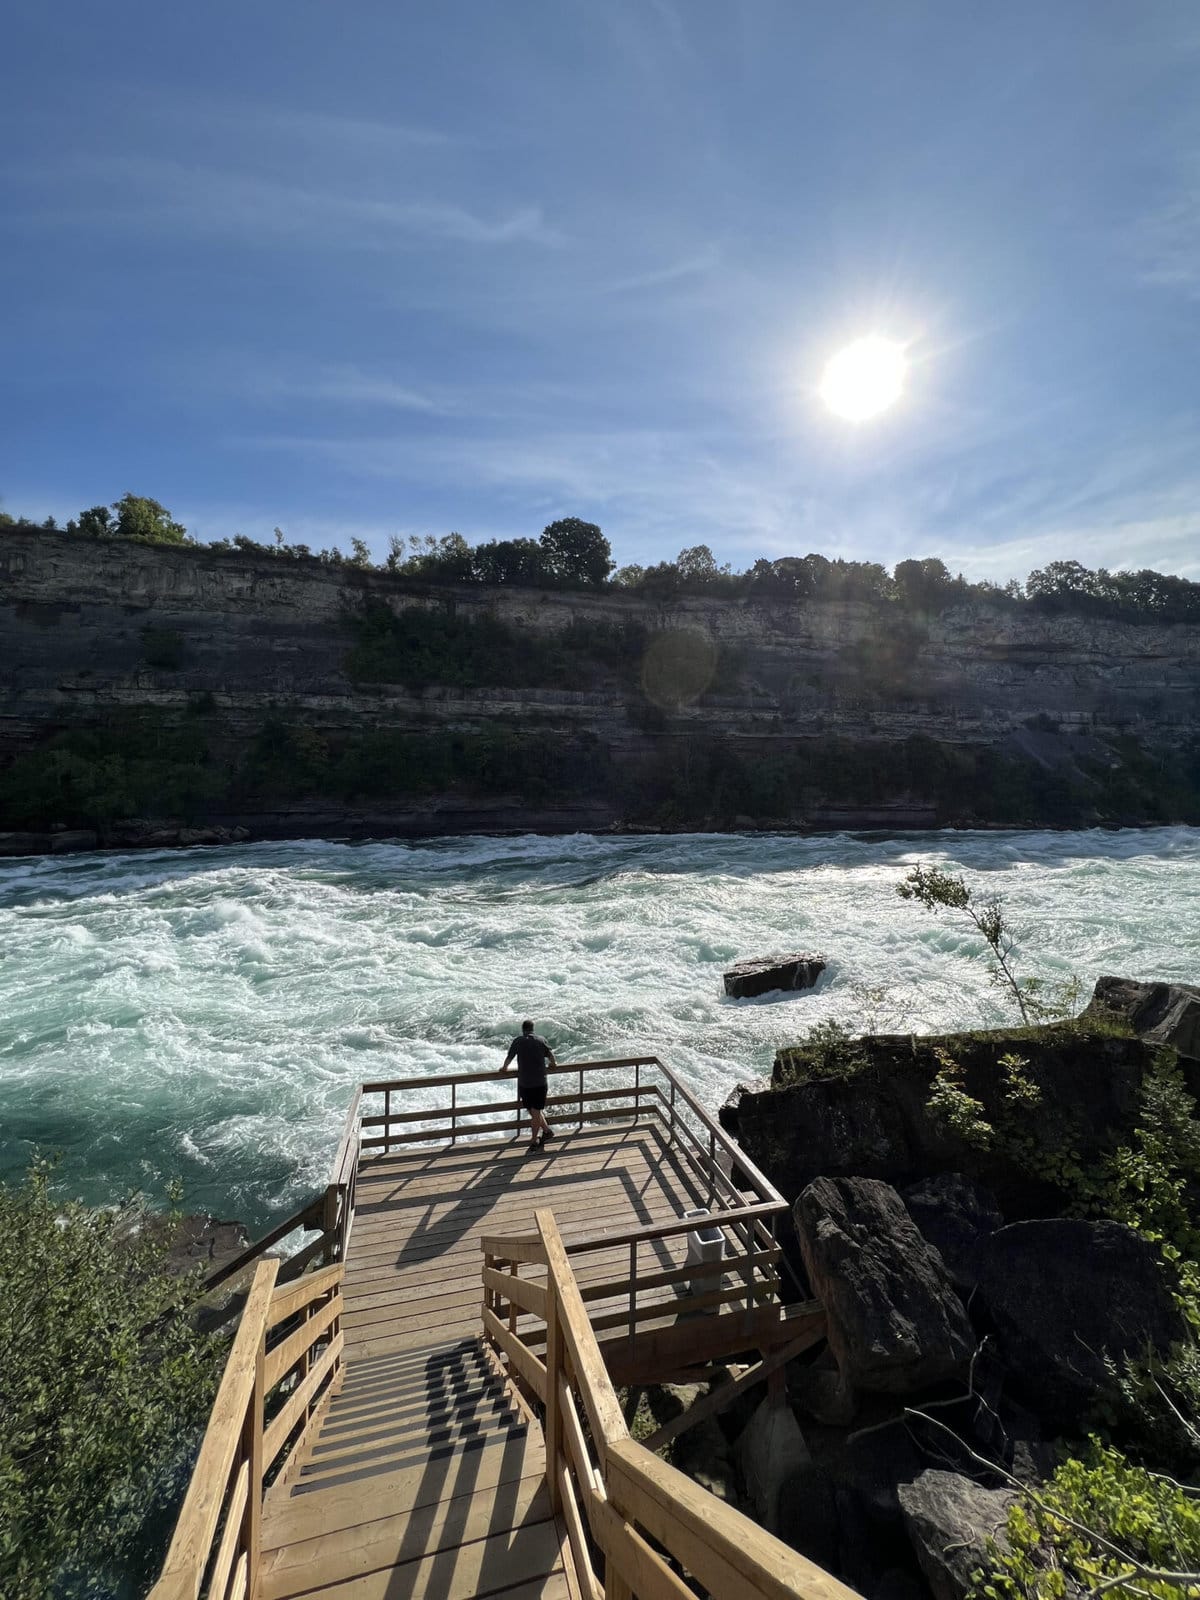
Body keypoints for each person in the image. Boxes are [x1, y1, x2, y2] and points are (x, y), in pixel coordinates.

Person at [502, 1019, 557, 1151]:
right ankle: (547, 1131)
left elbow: (510, 1057)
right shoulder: (541, 1040)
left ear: (523, 1029)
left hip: (525, 1082)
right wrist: (553, 1065)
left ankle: (533, 1140)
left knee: (534, 1110)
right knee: (536, 1111)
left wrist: (504, 1068)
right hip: (540, 1082)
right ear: (533, 1029)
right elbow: (551, 1056)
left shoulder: (518, 1041)